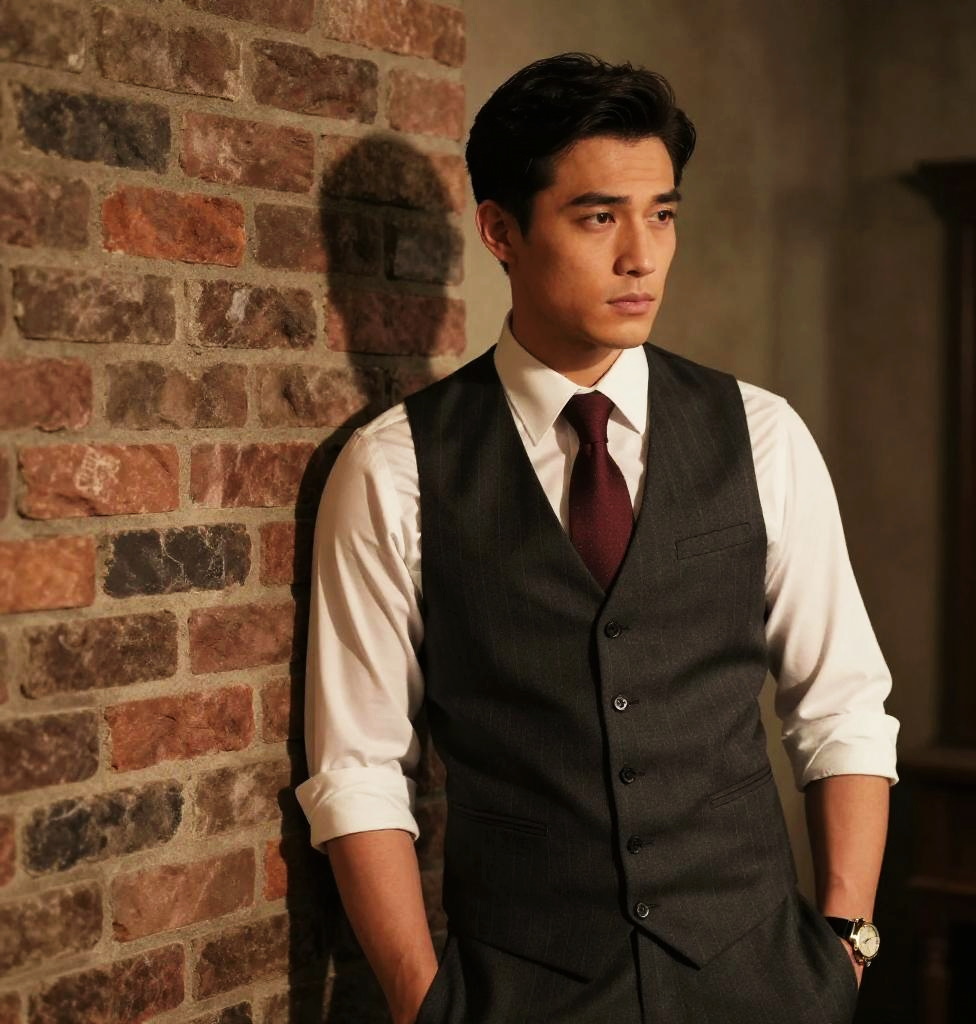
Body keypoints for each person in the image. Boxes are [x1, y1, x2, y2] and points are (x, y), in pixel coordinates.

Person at [297, 53, 899, 1024]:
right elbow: (357, 767)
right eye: (597, 216)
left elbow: (842, 708)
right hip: (520, 992)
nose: (641, 255)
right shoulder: (394, 466)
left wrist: (846, 946)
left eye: (661, 213)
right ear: (500, 229)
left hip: (763, 983)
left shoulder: (760, 435)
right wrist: (425, 1002)